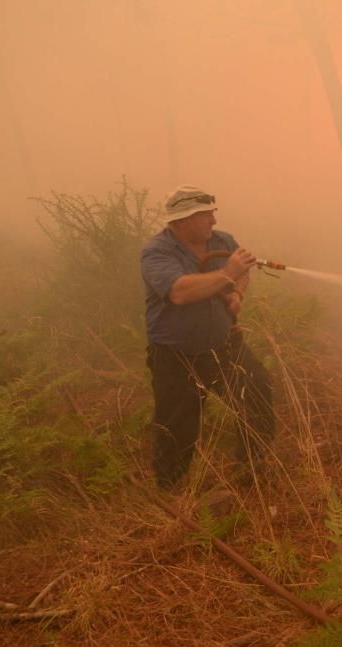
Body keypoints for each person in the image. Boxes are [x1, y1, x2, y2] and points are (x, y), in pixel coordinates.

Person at [140, 185, 274, 489]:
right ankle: (171, 489)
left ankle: (251, 471)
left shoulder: (223, 240)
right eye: (206, 216)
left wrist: (237, 292)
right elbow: (179, 291)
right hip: (176, 356)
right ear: (183, 221)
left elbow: (243, 271)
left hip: (225, 346)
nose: (213, 222)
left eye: (213, 215)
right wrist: (228, 272)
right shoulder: (156, 252)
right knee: (178, 426)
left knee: (256, 391)